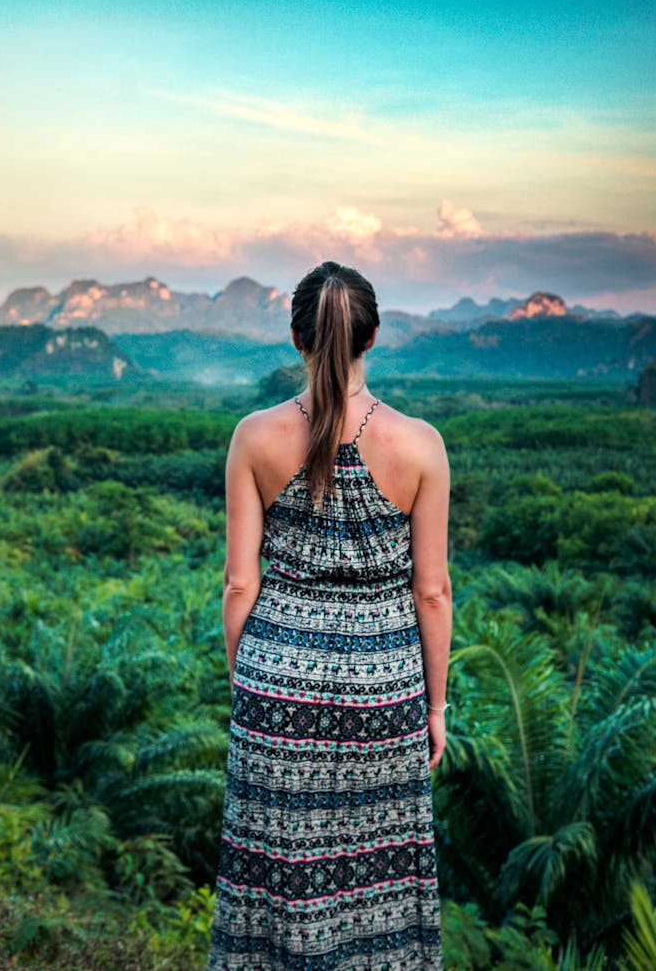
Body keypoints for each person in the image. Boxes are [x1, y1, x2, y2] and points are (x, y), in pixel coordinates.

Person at [207, 260, 453, 970]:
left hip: (274, 682)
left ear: (295, 337)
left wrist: (248, 678)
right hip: (384, 689)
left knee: (276, 882)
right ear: (372, 337)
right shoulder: (421, 445)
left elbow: (237, 582)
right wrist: (433, 706)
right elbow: (431, 592)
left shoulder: (254, 437)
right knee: (377, 882)